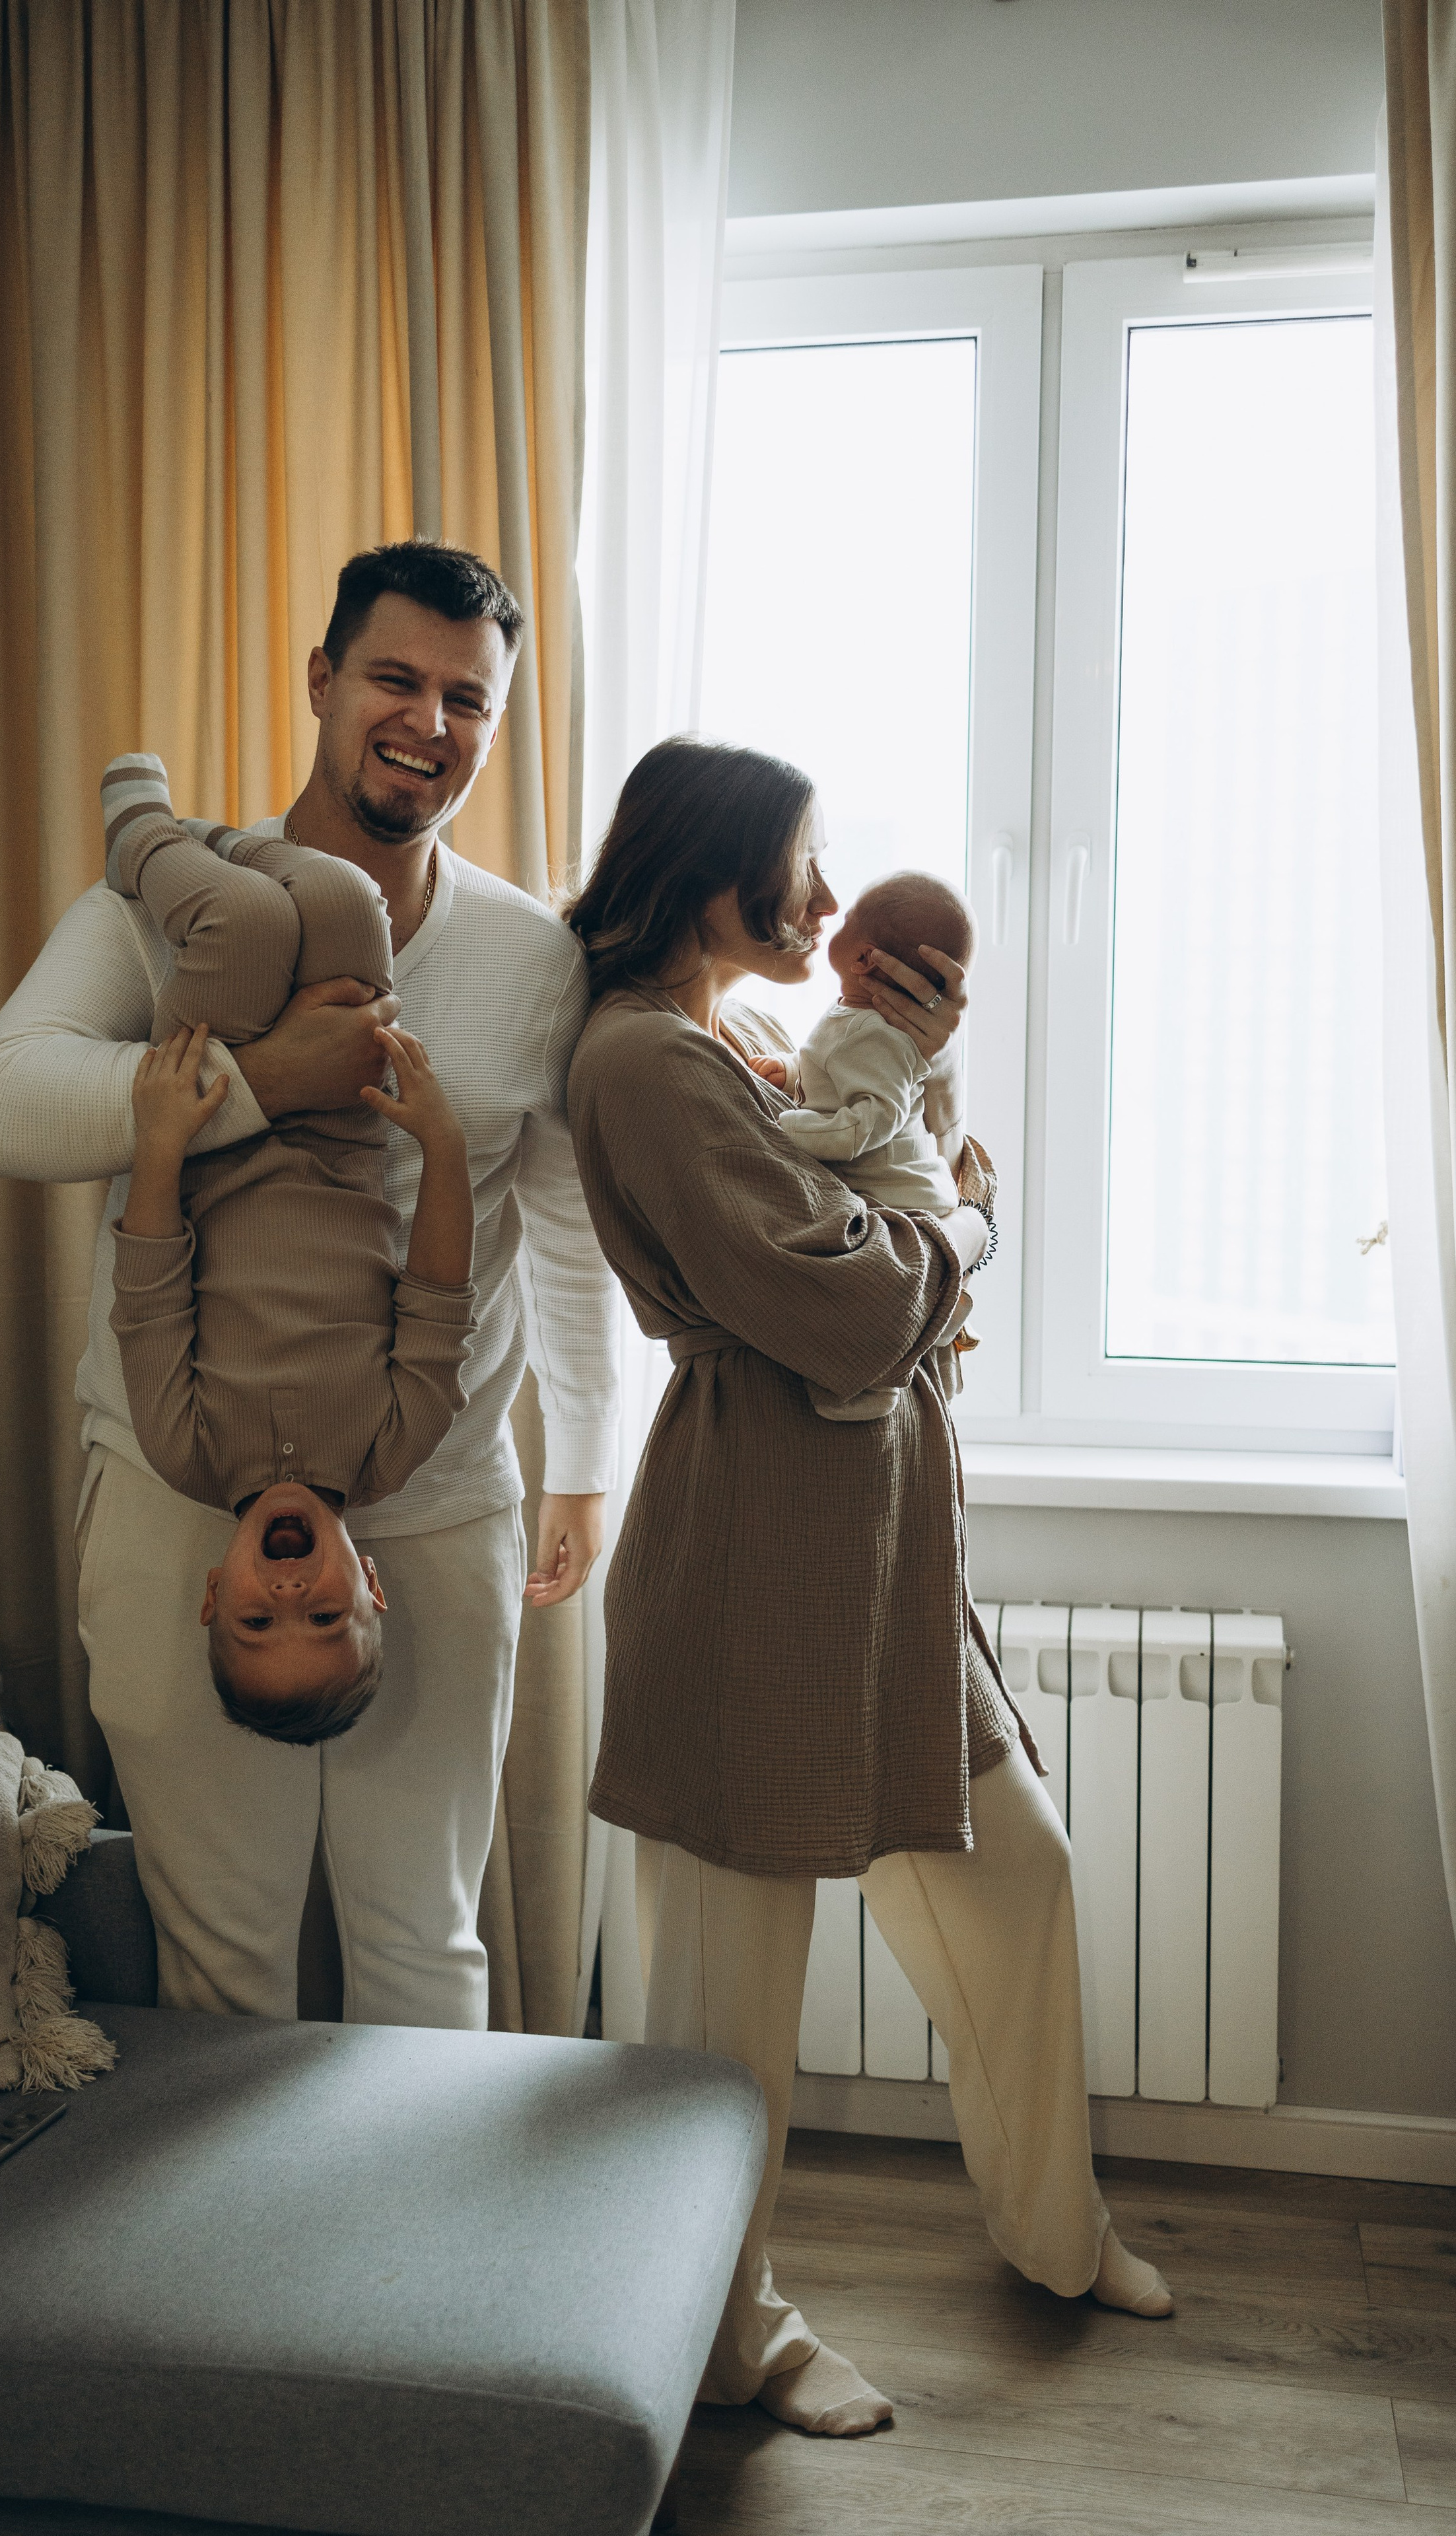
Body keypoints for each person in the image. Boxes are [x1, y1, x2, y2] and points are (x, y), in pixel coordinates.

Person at [565, 736, 1173, 2444]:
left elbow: (879, 1185)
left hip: (883, 1561)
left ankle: (1057, 2233)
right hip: (752, 1553)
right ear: (711, 869)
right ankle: (726, 2335)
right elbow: (844, 1300)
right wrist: (973, 1232)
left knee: (1019, 1870)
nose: (830, 906)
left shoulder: (738, 1049)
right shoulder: (646, 1068)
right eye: (803, 869)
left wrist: (927, 1093)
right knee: (726, 2006)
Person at [0, 539, 619, 2029]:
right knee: (221, 1954)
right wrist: (259, 1080)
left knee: (424, 1940)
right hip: (179, 1497)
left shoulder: (532, 957)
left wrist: (581, 1456)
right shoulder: (180, 906)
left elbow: (561, 1221)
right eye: (394, 678)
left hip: (438, 1505)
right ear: (322, 681)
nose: (428, 724)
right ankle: (233, 2269)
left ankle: (430, 2262)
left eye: (468, 699)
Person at [100, 754, 478, 1746]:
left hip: (215, 1120)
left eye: (259, 1618)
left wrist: (161, 1143)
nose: (292, 1588)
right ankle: (215, 840)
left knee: (250, 924)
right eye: (325, 1614)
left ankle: (139, 836)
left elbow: (149, 1285)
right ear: (375, 1589)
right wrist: (440, 1144)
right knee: (351, 901)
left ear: (213, 1592)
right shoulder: (397, 1443)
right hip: (349, 1122)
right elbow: (441, 1290)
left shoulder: (185, 1449)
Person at [751, 869, 979, 1421]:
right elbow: (835, 1072)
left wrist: (782, 1129)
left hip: (901, 1200)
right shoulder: (858, 1022)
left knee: (882, 1324)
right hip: (919, 1202)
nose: (831, 908)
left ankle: (877, 1384)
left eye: (849, 916)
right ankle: (944, 1319)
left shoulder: (873, 1033)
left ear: (864, 961)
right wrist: (790, 1073)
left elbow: (867, 1118)